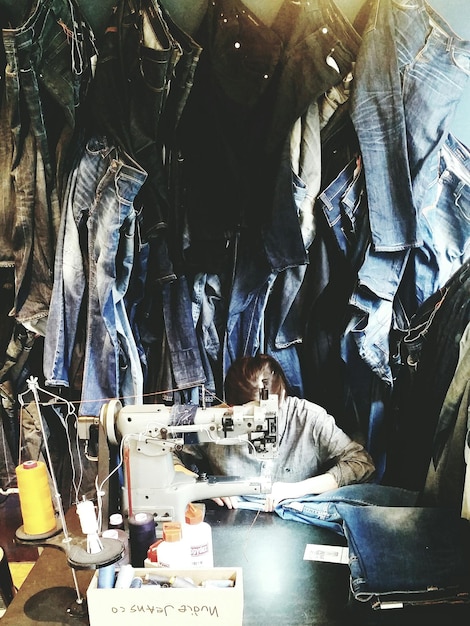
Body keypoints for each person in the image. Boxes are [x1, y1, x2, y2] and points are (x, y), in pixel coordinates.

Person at [176, 354, 375, 512]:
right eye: (251, 423)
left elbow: (361, 464)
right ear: (230, 408)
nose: (262, 432)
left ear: (282, 397)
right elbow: (168, 455)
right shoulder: (214, 420)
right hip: (231, 519)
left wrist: (297, 489)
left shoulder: (308, 419)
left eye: (271, 416)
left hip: (295, 517)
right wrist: (201, 484)